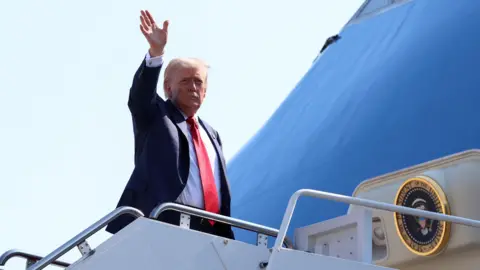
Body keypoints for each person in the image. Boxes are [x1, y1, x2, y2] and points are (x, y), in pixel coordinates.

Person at [105, 10, 234, 239]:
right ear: (168, 88)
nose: (193, 87)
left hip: (212, 232)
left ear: (205, 91)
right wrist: (156, 53)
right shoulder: (156, 115)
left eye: (198, 82)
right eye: (185, 81)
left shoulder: (211, 134)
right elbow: (140, 96)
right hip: (162, 224)